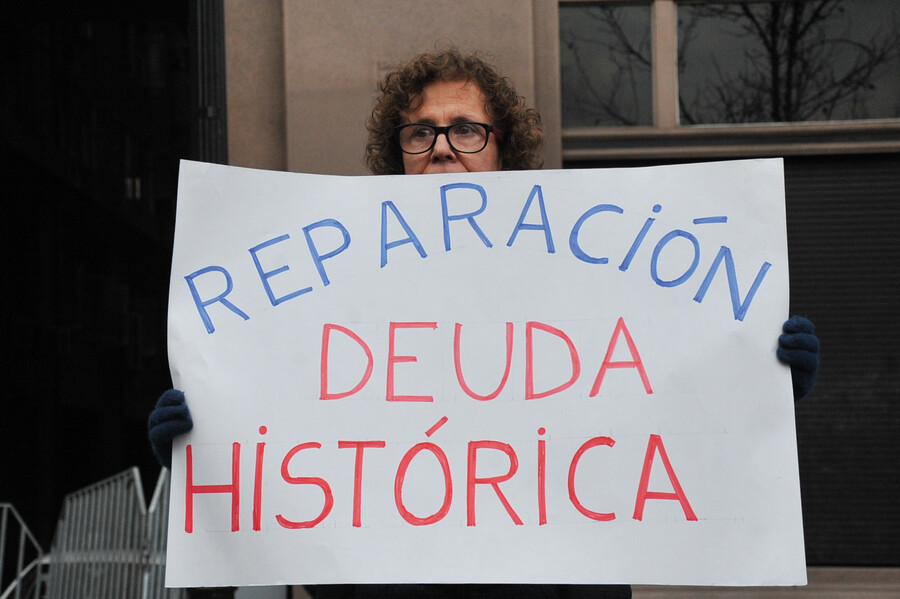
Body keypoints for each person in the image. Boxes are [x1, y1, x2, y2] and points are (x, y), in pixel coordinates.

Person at [150, 49, 820, 599]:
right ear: (399, 155)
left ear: (505, 152)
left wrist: (756, 384)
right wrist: (204, 462)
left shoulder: (583, 288)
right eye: (420, 132)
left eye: (465, 129)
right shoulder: (325, 304)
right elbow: (269, 515)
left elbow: (659, 412)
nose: (442, 148)